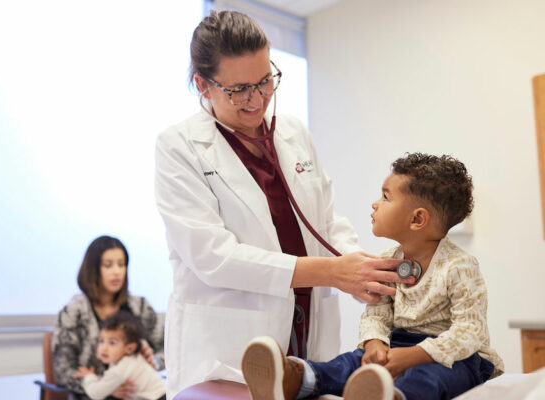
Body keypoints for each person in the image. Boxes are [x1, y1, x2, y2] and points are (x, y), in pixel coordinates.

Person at [154, 10, 413, 398]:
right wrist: (332, 272)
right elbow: (213, 257)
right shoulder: (179, 147)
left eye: (264, 81)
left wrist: (363, 270)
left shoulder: (292, 132)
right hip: (225, 348)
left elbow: (326, 221)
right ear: (202, 85)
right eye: (238, 90)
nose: (257, 99)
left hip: (306, 327)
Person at [241, 153, 505, 400]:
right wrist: (374, 344)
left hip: (456, 357)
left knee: (427, 378)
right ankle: (294, 377)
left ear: (417, 219)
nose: (375, 203)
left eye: (386, 197)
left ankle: (392, 395)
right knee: (349, 363)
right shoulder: (389, 259)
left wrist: (413, 356)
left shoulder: (460, 266)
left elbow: (469, 332)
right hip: (398, 345)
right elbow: (376, 314)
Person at [52, 235, 165, 399]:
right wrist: (105, 387)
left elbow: (166, 352)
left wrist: (152, 361)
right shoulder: (73, 312)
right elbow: (63, 371)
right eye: (108, 265)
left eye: (122, 264)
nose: (117, 271)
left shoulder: (140, 307)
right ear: (93, 269)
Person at [74, 311, 166, 400]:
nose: (104, 348)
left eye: (112, 343)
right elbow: (141, 342)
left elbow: (96, 394)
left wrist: (89, 376)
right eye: (101, 341)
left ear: (129, 348)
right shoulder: (135, 355)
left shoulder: (118, 371)